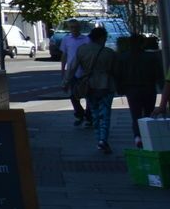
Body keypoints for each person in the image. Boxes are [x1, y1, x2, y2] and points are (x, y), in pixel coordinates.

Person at [73, 26, 120, 155]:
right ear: (102, 38)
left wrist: (66, 81)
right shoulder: (109, 53)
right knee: (105, 114)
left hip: (89, 86)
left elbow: (73, 67)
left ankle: (98, 138)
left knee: (94, 114)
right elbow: (116, 71)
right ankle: (103, 139)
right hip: (106, 85)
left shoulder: (82, 50)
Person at [114, 34, 159, 150]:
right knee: (148, 114)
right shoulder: (151, 57)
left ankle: (138, 137)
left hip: (132, 89)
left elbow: (118, 75)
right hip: (149, 89)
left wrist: (119, 88)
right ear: (142, 43)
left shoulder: (123, 57)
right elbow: (157, 74)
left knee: (135, 115)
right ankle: (148, 137)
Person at [58, 22, 93, 126]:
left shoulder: (86, 39)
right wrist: (63, 70)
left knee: (88, 95)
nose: (74, 29)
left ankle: (89, 117)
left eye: (76, 27)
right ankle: (80, 114)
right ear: (69, 28)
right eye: (71, 27)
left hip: (85, 72)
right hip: (72, 72)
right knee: (73, 96)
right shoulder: (66, 40)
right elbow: (64, 55)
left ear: (79, 28)